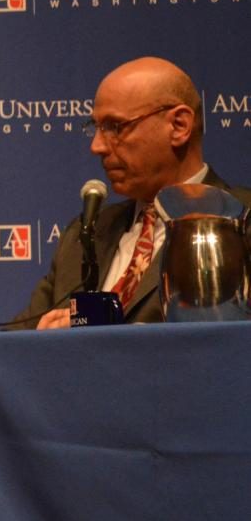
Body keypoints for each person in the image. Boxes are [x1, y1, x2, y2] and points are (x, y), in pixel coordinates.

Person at [15, 57, 251, 329]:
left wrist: (94, 340)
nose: (97, 146)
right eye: (96, 127)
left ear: (179, 126)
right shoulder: (85, 234)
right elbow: (13, 343)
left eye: (115, 127)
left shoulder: (240, 221)